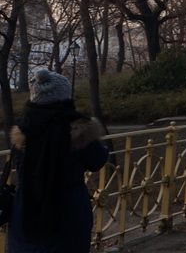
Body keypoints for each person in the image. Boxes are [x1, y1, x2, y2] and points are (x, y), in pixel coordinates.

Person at [9, 69, 109, 253]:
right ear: (64, 96)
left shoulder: (22, 131)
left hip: (26, 208)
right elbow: (97, 160)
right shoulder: (79, 129)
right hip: (68, 209)